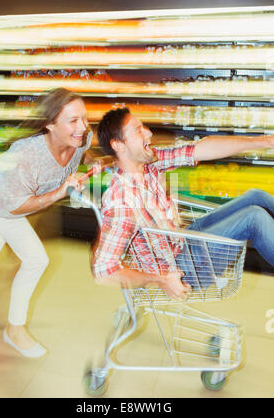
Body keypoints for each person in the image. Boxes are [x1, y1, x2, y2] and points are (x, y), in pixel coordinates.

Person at [92, 107, 274, 300]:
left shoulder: (149, 163)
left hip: (183, 239)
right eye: (138, 130)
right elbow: (103, 271)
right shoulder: (121, 200)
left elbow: (201, 149)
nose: (149, 132)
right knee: (254, 217)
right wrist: (161, 280)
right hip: (182, 266)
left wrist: (265, 141)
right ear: (118, 145)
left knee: (256, 196)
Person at [0, 88, 99, 358]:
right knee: (36, 260)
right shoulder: (28, 155)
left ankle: (14, 330)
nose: (83, 127)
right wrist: (59, 192)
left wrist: (95, 161)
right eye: (73, 121)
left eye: (84, 118)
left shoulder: (82, 137)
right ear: (50, 124)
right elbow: (17, 207)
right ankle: (14, 330)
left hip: (10, 198)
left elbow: (84, 152)